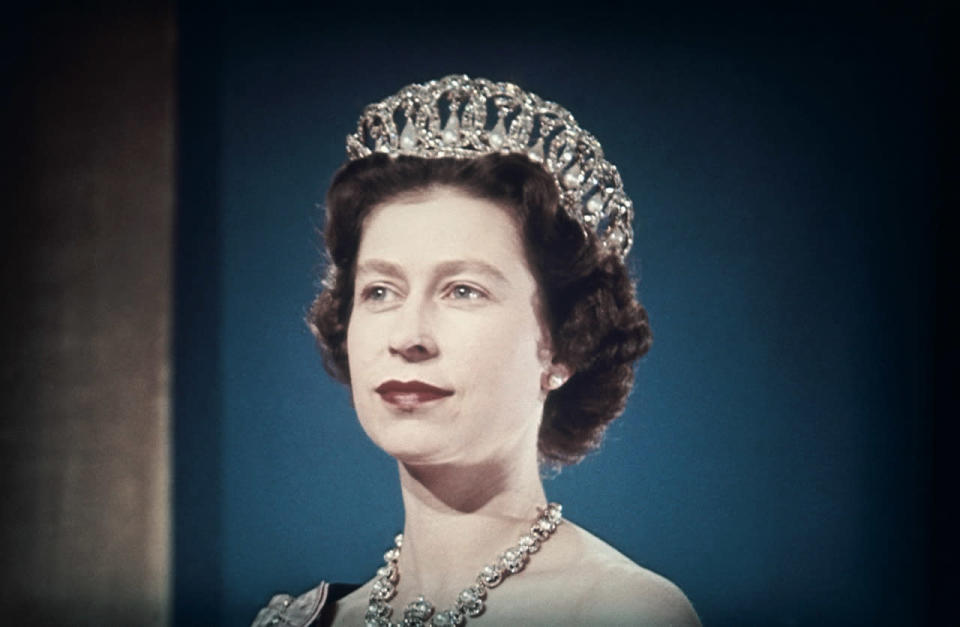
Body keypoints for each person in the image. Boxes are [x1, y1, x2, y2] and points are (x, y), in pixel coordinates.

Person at [252, 75, 700, 627]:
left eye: (463, 290)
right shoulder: (302, 619)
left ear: (563, 344)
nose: (407, 335)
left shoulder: (620, 613)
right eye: (380, 291)